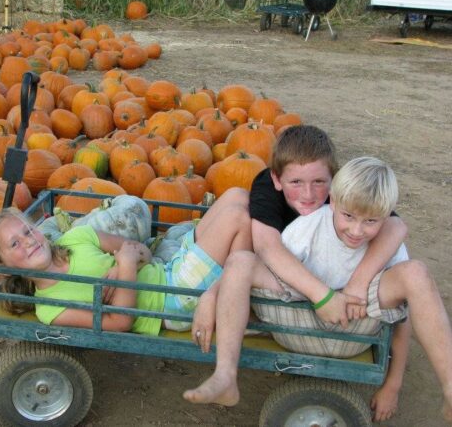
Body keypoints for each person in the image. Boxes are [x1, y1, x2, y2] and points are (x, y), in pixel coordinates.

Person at [186, 157, 452, 423]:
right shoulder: (310, 227)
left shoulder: (388, 243)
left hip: (355, 327)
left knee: (416, 273)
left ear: (387, 215)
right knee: (241, 261)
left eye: (371, 221)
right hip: (297, 322)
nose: (357, 230)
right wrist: (213, 293)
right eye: (348, 216)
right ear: (333, 201)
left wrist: (392, 384)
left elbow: (403, 318)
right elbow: (262, 265)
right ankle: (225, 375)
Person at [0, 183, 253, 335]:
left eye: (28, 229)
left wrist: (127, 264)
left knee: (236, 194)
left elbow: (143, 251)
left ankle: (234, 287)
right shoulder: (50, 308)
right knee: (236, 218)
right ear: (4, 267)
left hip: (170, 268)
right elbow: (120, 322)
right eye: (15, 243)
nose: (28, 240)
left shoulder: (77, 237)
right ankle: (232, 298)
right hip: (172, 300)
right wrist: (125, 266)